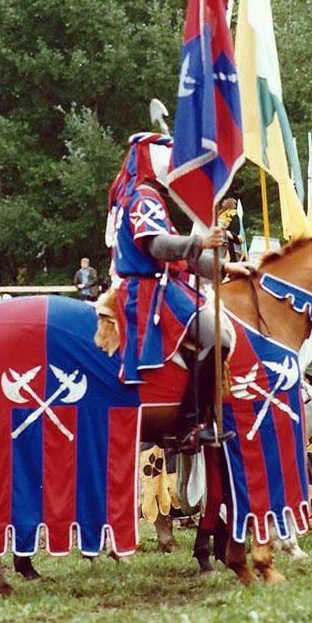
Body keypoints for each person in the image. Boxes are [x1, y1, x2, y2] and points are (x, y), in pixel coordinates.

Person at [103, 132, 253, 453]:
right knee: (220, 337)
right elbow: (158, 246)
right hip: (147, 290)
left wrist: (224, 269)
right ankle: (189, 425)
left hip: (163, 283)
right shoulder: (143, 198)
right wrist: (200, 241)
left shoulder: (149, 198)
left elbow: (183, 258)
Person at [218, 197, 244, 263]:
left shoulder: (219, 214)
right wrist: (236, 237)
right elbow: (236, 228)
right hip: (230, 240)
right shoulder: (233, 213)